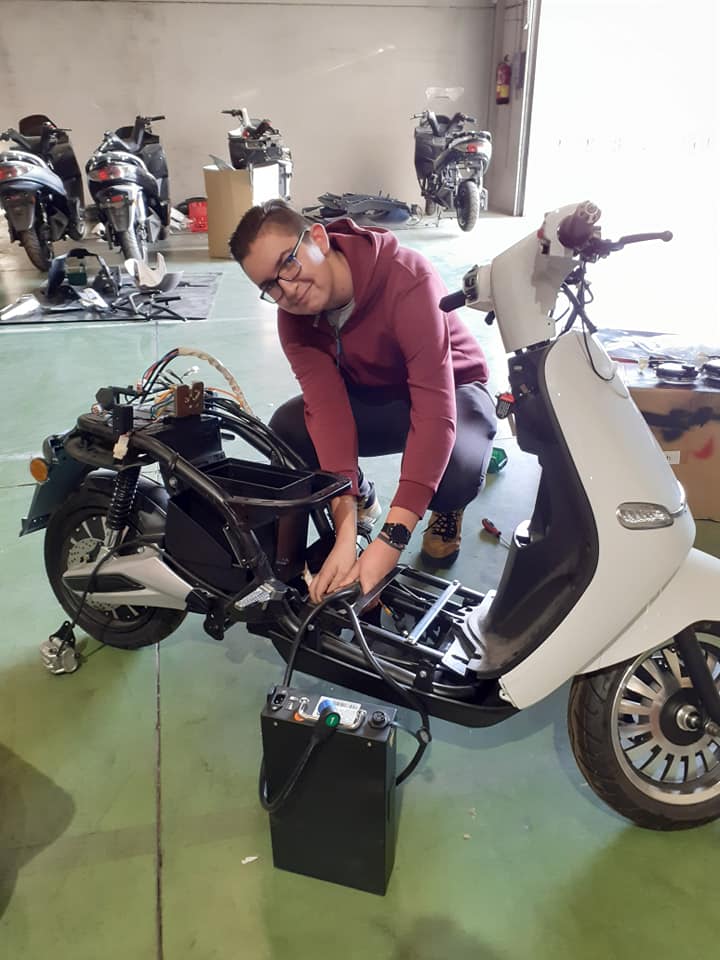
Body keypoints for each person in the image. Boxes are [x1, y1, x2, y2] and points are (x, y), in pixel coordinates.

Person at [229, 199, 496, 602]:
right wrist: (345, 532)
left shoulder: (406, 278)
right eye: (270, 286)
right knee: (288, 428)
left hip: (453, 389)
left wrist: (390, 542)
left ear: (318, 238)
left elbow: (434, 410)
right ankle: (361, 498)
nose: (287, 289)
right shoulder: (293, 320)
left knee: (453, 471)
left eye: (288, 263)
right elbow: (329, 412)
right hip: (377, 394)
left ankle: (446, 508)